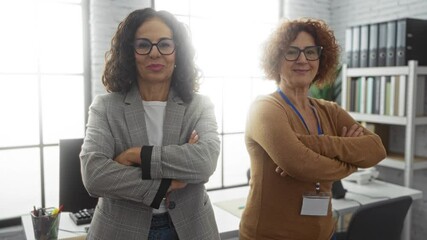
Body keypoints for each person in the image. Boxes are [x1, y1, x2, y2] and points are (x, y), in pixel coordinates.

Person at [239, 18, 387, 240]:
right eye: (292, 52)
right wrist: (351, 163)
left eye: (310, 52)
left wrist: (309, 144)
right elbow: (299, 164)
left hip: (324, 233)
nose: (302, 60)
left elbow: (376, 149)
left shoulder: (330, 111)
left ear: (321, 58)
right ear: (276, 58)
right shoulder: (264, 108)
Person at [80, 8, 221, 240]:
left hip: (191, 228)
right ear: (129, 52)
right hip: (120, 229)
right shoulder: (105, 107)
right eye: (143, 45)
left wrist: (137, 156)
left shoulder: (199, 105)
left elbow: (205, 162)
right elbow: (94, 175)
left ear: (178, 52)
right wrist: (164, 185)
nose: (154, 54)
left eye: (165, 44)